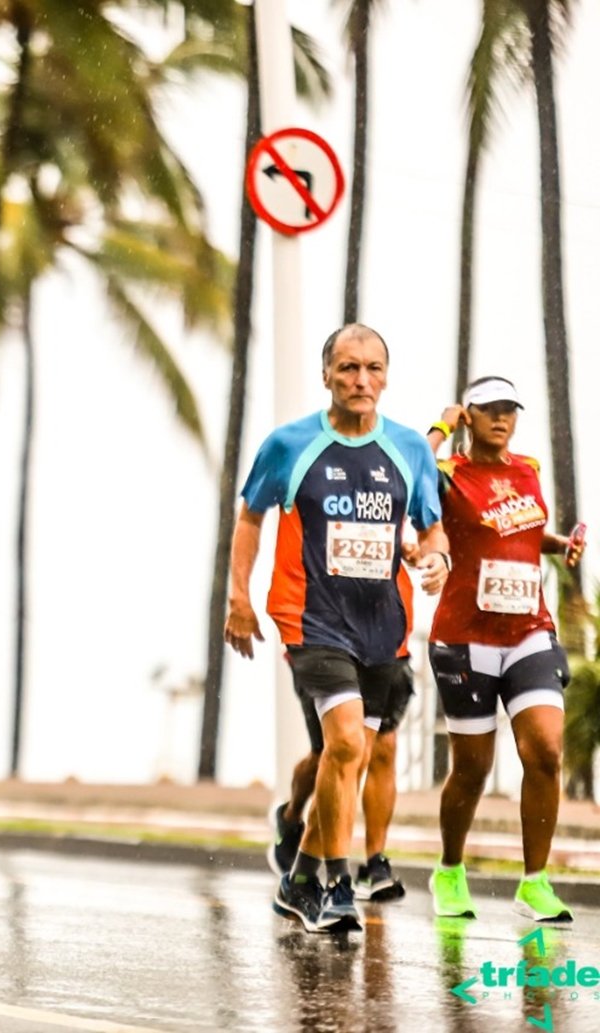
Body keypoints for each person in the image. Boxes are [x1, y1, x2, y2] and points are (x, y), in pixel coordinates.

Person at [224, 323, 448, 934]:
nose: (361, 381)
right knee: (346, 743)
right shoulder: (290, 445)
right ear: (326, 374)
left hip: (384, 627)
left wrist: (437, 559)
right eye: (348, 368)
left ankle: (297, 880)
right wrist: (238, 596)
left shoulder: (410, 449)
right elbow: (250, 516)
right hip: (311, 619)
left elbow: (431, 526)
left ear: (386, 377)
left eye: (373, 369)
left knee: (347, 757)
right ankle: (337, 882)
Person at [425, 376, 581, 922]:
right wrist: (441, 425)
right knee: (472, 770)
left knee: (544, 750)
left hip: (528, 633)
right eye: (489, 409)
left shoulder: (528, 471)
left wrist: (558, 544)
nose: (502, 419)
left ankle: (535, 882)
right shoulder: (447, 474)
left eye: (509, 410)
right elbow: (413, 470)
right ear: (469, 416)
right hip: (465, 638)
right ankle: (448, 870)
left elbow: (517, 531)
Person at [269, 659, 412, 902]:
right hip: (325, 649)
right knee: (327, 753)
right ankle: (291, 817)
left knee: (383, 747)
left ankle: (374, 864)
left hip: (382, 650)